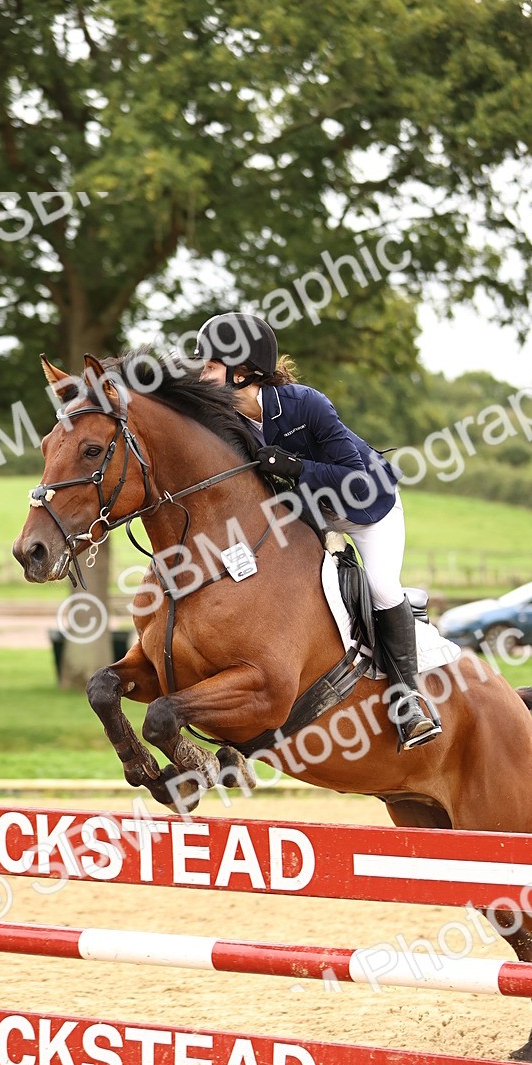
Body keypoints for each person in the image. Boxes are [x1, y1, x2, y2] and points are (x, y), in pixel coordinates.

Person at [194, 311, 442, 750]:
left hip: (368, 507)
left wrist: (296, 466)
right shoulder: (229, 423)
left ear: (242, 371)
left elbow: (354, 475)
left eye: (210, 366)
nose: (201, 374)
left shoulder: (306, 404)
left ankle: (410, 703)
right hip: (311, 513)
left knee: (382, 586)